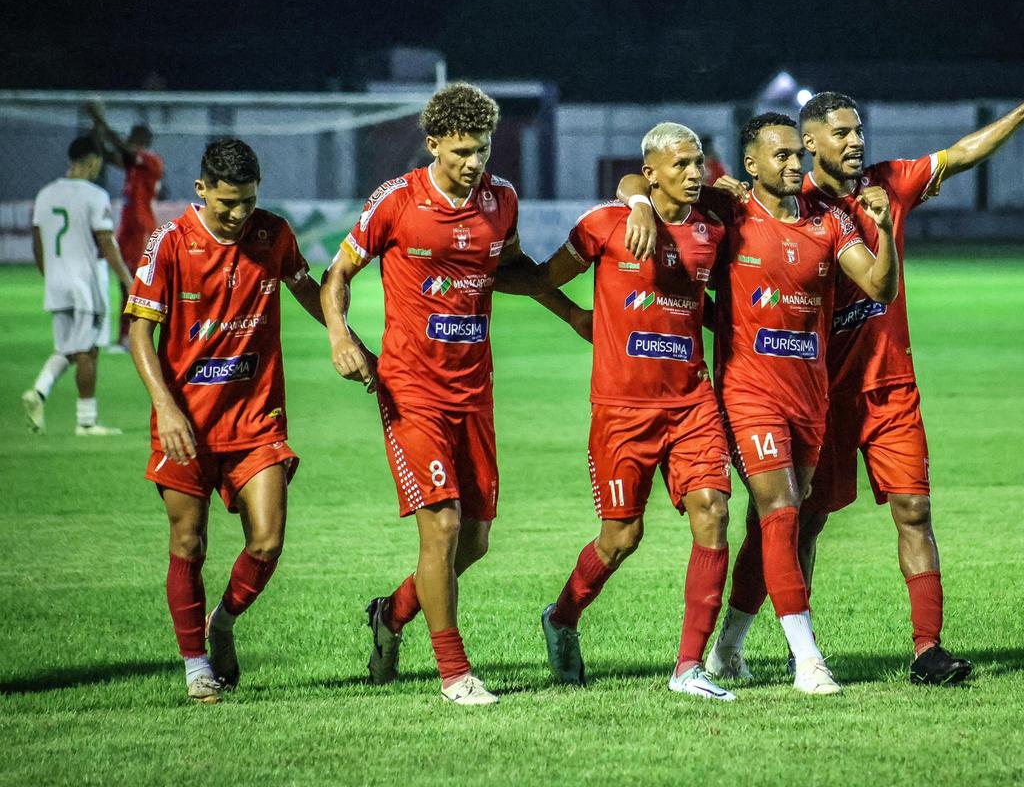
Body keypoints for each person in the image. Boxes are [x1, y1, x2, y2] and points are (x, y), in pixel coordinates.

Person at [706, 65, 1024, 686]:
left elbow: (960, 155)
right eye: (841, 134)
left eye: (859, 132)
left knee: (913, 510)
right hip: (819, 393)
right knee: (794, 522)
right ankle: (742, 640)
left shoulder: (887, 185)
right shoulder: (789, 206)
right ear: (808, 144)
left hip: (890, 386)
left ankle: (927, 650)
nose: (856, 143)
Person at [617, 112, 898, 694]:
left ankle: (728, 649)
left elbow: (878, 286)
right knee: (782, 510)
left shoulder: (829, 222)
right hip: (748, 392)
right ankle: (808, 660)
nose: (796, 164)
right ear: (752, 165)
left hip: (809, 395)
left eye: (799, 154)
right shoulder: (730, 212)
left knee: (772, 524)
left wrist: (886, 229)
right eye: (783, 156)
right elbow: (635, 182)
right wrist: (641, 205)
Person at [125, 138, 374, 704]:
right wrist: (165, 408)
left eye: (248, 202)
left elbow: (307, 287)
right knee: (188, 544)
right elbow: (140, 333)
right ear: (202, 190)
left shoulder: (274, 234)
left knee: (267, 541)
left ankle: (225, 620)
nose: (238, 216)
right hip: (186, 421)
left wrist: (343, 335)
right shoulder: (169, 244)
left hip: (256, 418)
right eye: (227, 204)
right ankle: (195, 666)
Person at [322, 82, 545, 706]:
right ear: (434, 144)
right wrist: (342, 334)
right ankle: (454, 672)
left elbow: (514, 270)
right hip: (411, 391)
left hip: (475, 392)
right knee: (442, 528)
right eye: (463, 151)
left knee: (474, 540)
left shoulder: (501, 201)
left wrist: (575, 308)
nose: (475, 163)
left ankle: (391, 615)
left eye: (484, 150)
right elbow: (336, 275)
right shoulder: (396, 202)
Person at [520, 122, 737, 700]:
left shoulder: (711, 230)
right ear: (653, 170)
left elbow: (704, 304)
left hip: (692, 401)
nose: (695, 174)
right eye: (682, 165)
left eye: (698, 164)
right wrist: (572, 316)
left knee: (713, 512)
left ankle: (689, 668)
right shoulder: (605, 226)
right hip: (621, 410)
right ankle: (562, 618)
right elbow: (542, 278)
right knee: (621, 537)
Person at [23, 135, 132, 435]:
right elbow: (107, 245)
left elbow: (37, 244)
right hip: (84, 283)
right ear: (93, 161)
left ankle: (39, 391)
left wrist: (51, 277)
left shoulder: (45, 194)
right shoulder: (95, 196)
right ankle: (87, 421)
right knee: (88, 351)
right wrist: (129, 282)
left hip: (56, 281)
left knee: (68, 348)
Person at [87, 101, 164, 352]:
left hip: (141, 230)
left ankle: (137, 337)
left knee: (135, 282)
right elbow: (106, 154)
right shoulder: (133, 165)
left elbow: (123, 151)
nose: (129, 142)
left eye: (132, 138)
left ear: (142, 140)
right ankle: (124, 338)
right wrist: (96, 131)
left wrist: (100, 120)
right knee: (124, 282)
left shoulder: (151, 161)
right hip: (128, 229)